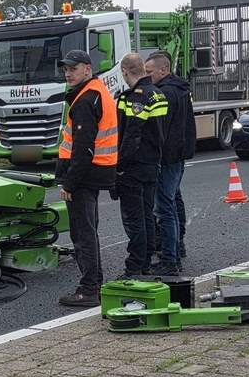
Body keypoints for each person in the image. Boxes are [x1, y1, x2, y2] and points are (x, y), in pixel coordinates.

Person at [54, 49, 119, 307]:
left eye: (73, 68)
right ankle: (95, 283)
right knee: (89, 230)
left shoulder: (85, 101)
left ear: (87, 69)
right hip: (98, 172)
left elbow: (83, 148)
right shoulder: (98, 92)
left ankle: (89, 288)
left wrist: (69, 182)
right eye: (66, 69)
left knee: (82, 233)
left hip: (84, 176)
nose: (68, 73)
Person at [115, 53, 167, 279]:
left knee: (134, 220)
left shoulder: (133, 98)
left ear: (125, 72)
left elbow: (131, 135)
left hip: (134, 167)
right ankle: (145, 262)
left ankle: (134, 266)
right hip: (152, 163)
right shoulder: (158, 94)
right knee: (146, 217)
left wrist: (119, 164)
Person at [144, 52, 196, 276]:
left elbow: (161, 129)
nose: (147, 77)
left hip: (167, 157)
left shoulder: (164, 93)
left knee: (164, 208)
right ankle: (176, 247)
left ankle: (170, 259)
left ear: (162, 70)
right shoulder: (180, 89)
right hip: (178, 154)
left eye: (149, 72)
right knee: (173, 200)